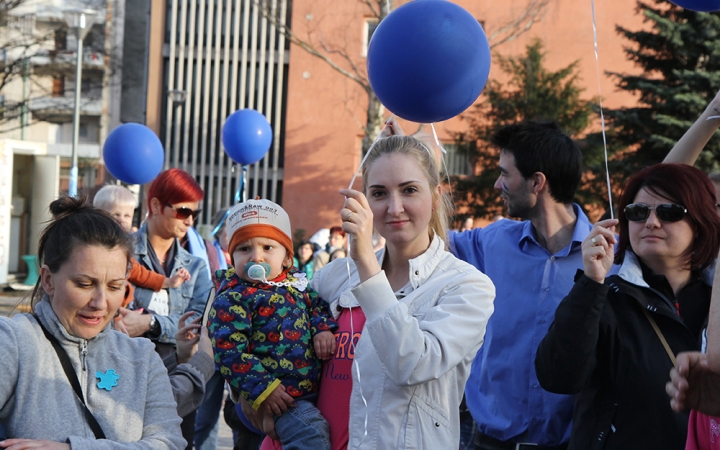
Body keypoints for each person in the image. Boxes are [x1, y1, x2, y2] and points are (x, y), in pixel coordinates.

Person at [246, 134, 496, 449]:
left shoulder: (465, 286)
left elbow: (413, 364)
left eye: (409, 190)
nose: (394, 207)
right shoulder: (335, 277)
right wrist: (252, 399)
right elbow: (262, 323)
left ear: (435, 196)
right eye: (379, 193)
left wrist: (365, 262)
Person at [535, 163, 720, 449]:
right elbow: (558, 377)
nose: (652, 222)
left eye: (670, 212)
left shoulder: (715, 299)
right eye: (638, 212)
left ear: (700, 221)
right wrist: (591, 282)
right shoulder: (604, 295)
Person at [0, 196, 186, 449]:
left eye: (114, 287)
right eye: (84, 284)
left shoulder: (142, 357)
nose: (100, 302)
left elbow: (169, 443)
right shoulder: (13, 342)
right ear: (48, 280)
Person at [209, 198, 338, 450]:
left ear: (287, 257)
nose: (256, 257)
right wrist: (263, 388)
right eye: (244, 249)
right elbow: (228, 352)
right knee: (311, 435)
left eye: (268, 247)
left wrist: (322, 328)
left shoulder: (298, 285)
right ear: (232, 256)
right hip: (276, 397)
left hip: (312, 391)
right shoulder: (234, 296)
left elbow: (318, 307)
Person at [114, 168, 212, 449]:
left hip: (178, 378)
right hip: (126, 374)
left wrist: (150, 324)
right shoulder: (121, 251)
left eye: (195, 213)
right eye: (183, 211)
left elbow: (194, 326)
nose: (190, 221)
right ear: (156, 205)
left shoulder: (196, 266)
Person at [93, 184, 191, 308]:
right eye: (116, 215)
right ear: (99, 216)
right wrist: (117, 317)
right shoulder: (97, 247)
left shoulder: (123, 248)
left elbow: (141, 274)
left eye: (127, 215)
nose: (122, 220)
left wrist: (169, 282)